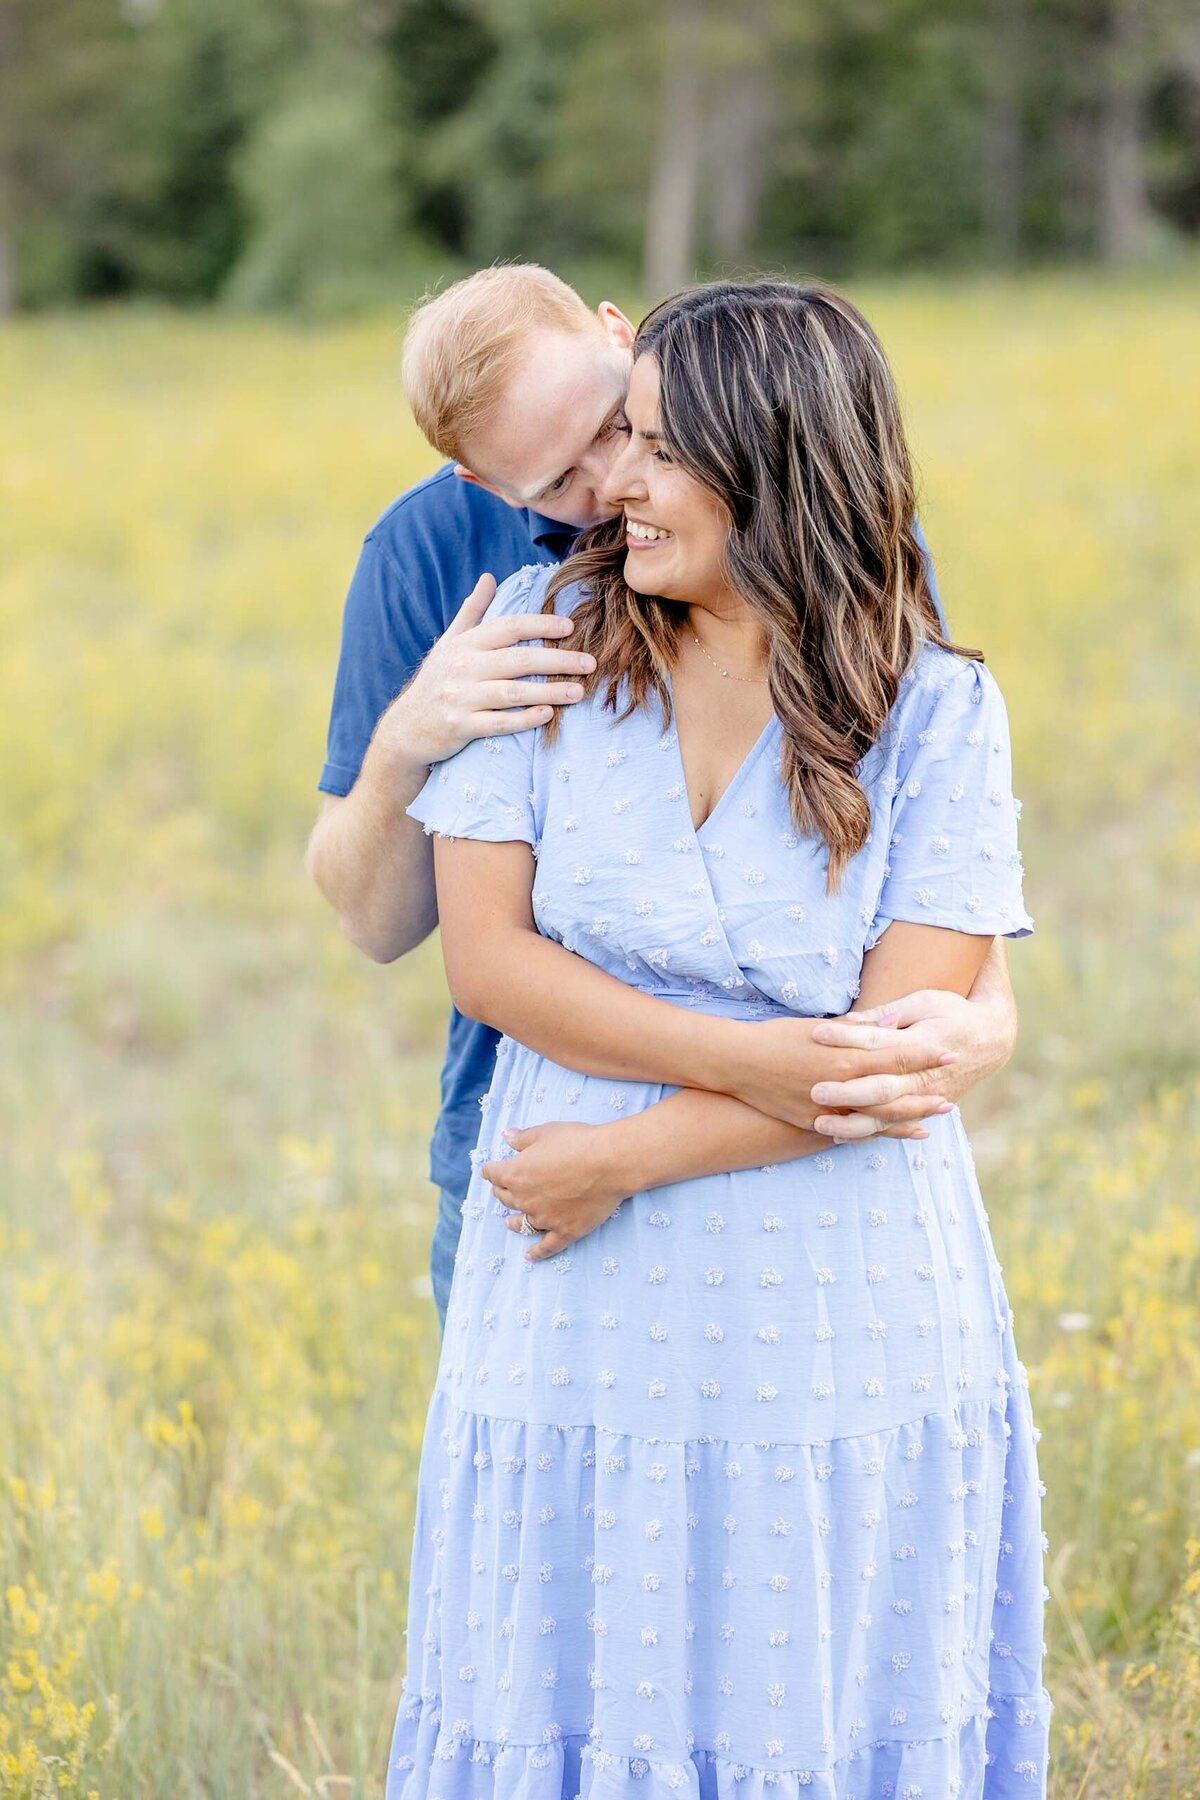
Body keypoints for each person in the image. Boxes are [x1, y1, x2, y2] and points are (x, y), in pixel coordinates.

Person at [384, 279, 1052, 1796]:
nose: (612, 487)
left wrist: (625, 1153)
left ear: (778, 463)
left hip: (832, 1299)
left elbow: (898, 1058)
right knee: (561, 1667)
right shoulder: (547, 639)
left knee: (802, 1695)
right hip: (572, 1303)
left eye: (654, 449)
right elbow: (488, 961)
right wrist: (764, 1059)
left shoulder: (937, 709)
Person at [306, 265, 1021, 1336]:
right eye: (556, 483)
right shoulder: (433, 558)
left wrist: (990, 1014)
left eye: (621, 426)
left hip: (810, 1155)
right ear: (480, 483)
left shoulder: (808, 513)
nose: (611, 484)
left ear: (620, 335)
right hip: (533, 1133)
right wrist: (412, 737)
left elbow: (917, 826)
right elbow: (379, 925)